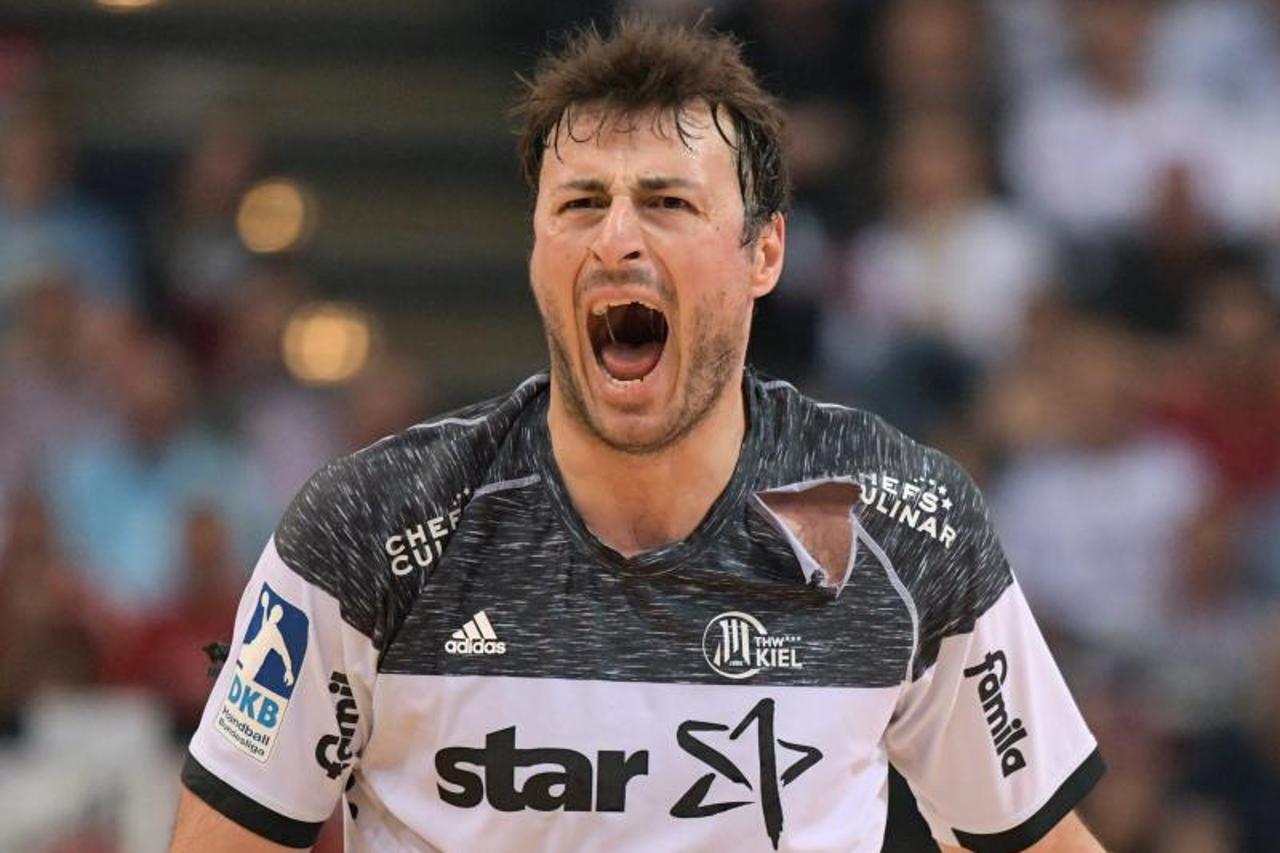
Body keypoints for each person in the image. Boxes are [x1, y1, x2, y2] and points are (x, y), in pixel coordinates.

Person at [170, 17, 1106, 852]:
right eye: (580, 204)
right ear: (537, 250)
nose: (616, 238)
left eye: (668, 202)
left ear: (765, 252)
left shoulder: (901, 525)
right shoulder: (370, 527)